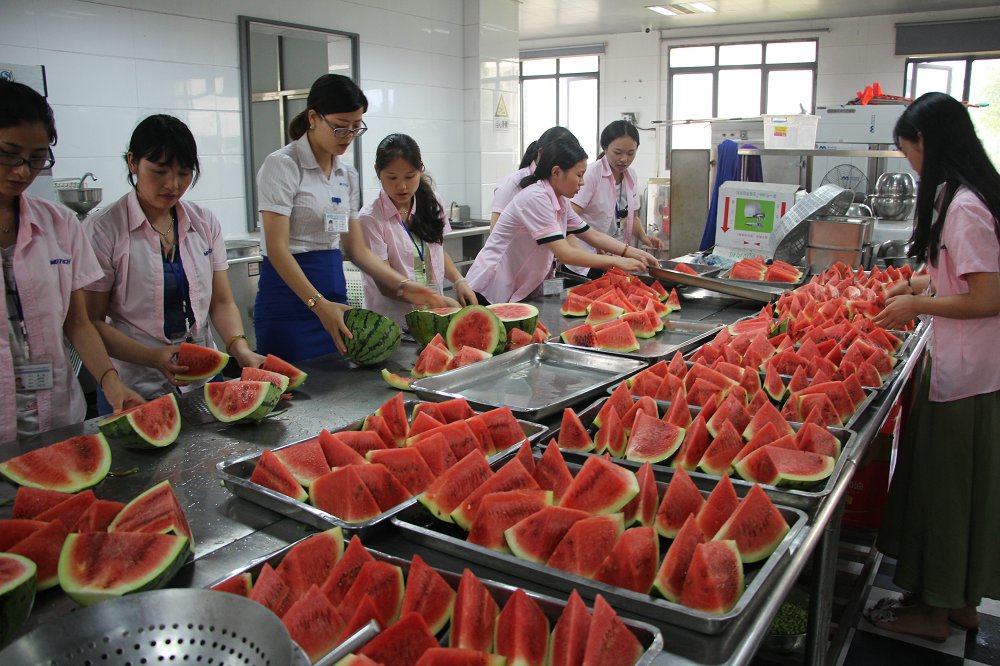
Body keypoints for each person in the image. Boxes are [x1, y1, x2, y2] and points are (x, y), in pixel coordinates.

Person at [867, 92, 1000, 643]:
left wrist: (918, 304)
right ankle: (961, 601)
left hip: (964, 374)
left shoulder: (966, 207)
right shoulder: (962, 194)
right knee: (965, 492)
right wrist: (918, 284)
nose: (910, 165)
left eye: (909, 154)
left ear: (929, 143)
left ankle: (935, 612)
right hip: (970, 370)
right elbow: (957, 276)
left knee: (946, 492)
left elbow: (989, 296)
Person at [254, 74, 446, 362]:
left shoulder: (347, 174)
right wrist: (318, 305)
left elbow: (356, 250)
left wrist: (406, 286)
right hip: (289, 302)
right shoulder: (282, 165)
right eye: (341, 127)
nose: (349, 136)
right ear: (313, 118)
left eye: (356, 128)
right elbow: (278, 249)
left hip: (335, 299)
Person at [84, 115, 264, 411]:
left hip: (206, 383)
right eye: (160, 171)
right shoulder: (104, 230)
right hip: (135, 387)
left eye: (184, 173)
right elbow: (91, 323)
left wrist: (240, 349)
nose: (172, 184)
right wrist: (151, 356)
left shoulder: (204, 223)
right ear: (132, 162)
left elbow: (220, 302)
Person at [0, 81, 142, 442]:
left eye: (36, 158)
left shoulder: (59, 224)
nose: (21, 171)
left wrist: (112, 382)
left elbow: (77, 322)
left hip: (60, 417)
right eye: (9, 154)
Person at [466, 136, 658, 304]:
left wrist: (633, 253)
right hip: (489, 288)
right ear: (557, 172)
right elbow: (565, 253)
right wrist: (617, 263)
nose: (582, 182)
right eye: (579, 175)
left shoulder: (559, 200)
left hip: (517, 286)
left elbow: (591, 234)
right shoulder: (535, 198)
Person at [357, 134, 475, 327]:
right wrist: (436, 300)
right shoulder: (370, 218)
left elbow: (437, 250)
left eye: (410, 176)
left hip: (435, 318)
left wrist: (458, 280)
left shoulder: (432, 201)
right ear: (378, 172)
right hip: (393, 325)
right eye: (392, 177)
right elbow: (385, 283)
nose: (402, 186)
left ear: (420, 170)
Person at [570, 120, 663, 276]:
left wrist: (643, 237)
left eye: (631, 153)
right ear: (605, 149)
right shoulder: (591, 174)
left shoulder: (631, 175)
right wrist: (596, 246)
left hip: (614, 253)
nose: (624, 159)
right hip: (587, 255)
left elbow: (629, 215)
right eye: (618, 152)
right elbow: (570, 216)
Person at [489, 126, 578, 230]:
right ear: (540, 154)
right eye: (559, 158)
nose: (565, 165)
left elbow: (566, 232)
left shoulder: (560, 186)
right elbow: (496, 231)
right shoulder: (513, 183)